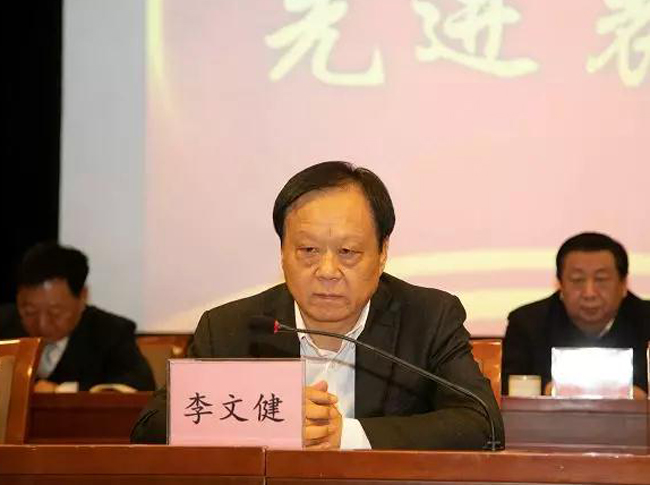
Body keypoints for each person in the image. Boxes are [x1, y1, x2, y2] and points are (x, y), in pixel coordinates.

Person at [131, 161, 503, 450]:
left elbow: (482, 423)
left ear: (382, 253)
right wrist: (270, 420)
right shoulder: (229, 328)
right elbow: (151, 427)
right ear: (282, 252)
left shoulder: (428, 317)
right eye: (308, 250)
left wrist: (345, 436)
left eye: (348, 252)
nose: (327, 271)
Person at [503, 232, 650, 398]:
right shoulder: (527, 324)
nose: (589, 293)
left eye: (601, 279)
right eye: (577, 280)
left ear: (623, 285)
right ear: (560, 285)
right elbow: (505, 395)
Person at [0, 242, 155, 392]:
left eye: (55, 312)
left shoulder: (111, 332)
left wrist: (61, 391)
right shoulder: (3, 324)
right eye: (30, 311)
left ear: (83, 297)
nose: (42, 325)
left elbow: (140, 385)